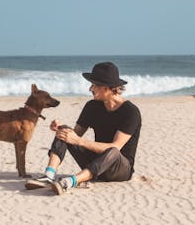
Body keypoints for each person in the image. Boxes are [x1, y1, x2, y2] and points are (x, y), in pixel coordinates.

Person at [25, 62, 141, 195]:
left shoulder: (131, 112)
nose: (90, 89)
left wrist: (79, 141)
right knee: (65, 131)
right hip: (95, 166)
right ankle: (49, 176)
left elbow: (116, 147)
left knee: (113, 150)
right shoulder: (92, 106)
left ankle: (71, 181)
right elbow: (74, 135)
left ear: (107, 87)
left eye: (95, 85)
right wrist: (60, 129)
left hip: (119, 170)